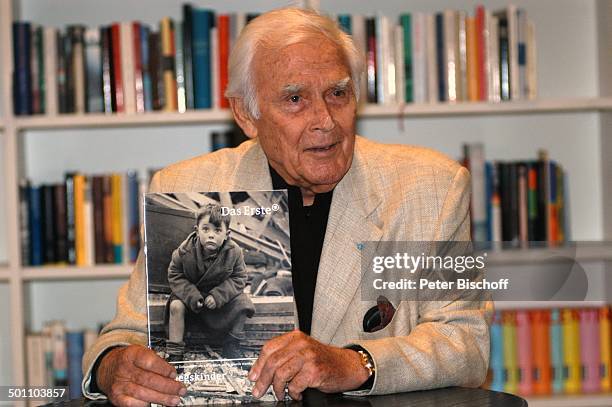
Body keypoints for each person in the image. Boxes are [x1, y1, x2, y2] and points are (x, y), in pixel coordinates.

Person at [82, 7, 492, 406]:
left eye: (337, 93)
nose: (326, 121)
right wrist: (114, 366)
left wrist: (357, 362)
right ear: (246, 114)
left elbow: (465, 342)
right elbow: (123, 335)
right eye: (295, 99)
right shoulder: (189, 188)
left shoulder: (429, 188)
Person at [165, 203, 254, 361]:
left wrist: (218, 295)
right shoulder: (184, 251)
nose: (211, 235)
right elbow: (174, 274)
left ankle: (231, 345)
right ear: (197, 230)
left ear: (227, 234)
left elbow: (239, 278)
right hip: (191, 299)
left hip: (219, 301)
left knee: (244, 304)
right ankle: (175, 351)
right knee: (175, 306)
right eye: (206, 229)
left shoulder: (235, 253)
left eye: (217, 230)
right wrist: (192, 296)